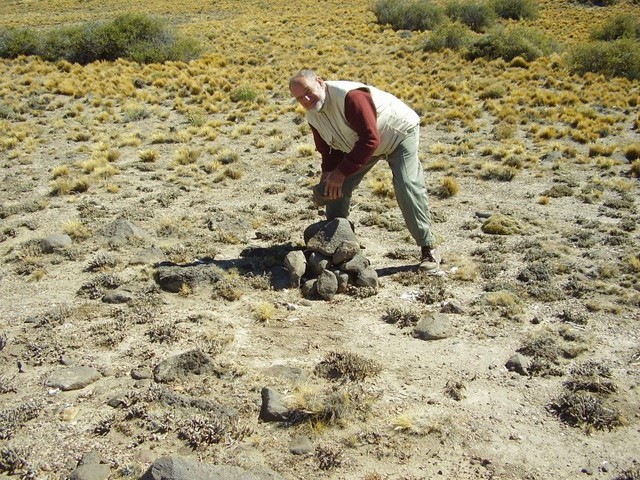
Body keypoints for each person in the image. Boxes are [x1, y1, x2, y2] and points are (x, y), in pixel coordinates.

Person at [289, 69, 441, 273]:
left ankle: (428, 246)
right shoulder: (313, 114)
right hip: (361, 144)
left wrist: (340, 172)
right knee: (333, 188)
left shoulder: (350, 97)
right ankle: (338, 243)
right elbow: (327, 149)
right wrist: (328, 173)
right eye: (299, 98)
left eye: (308, 91)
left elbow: (371, 139)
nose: (306, 99)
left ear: (319, 82)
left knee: (407, 184)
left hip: (397, 133)